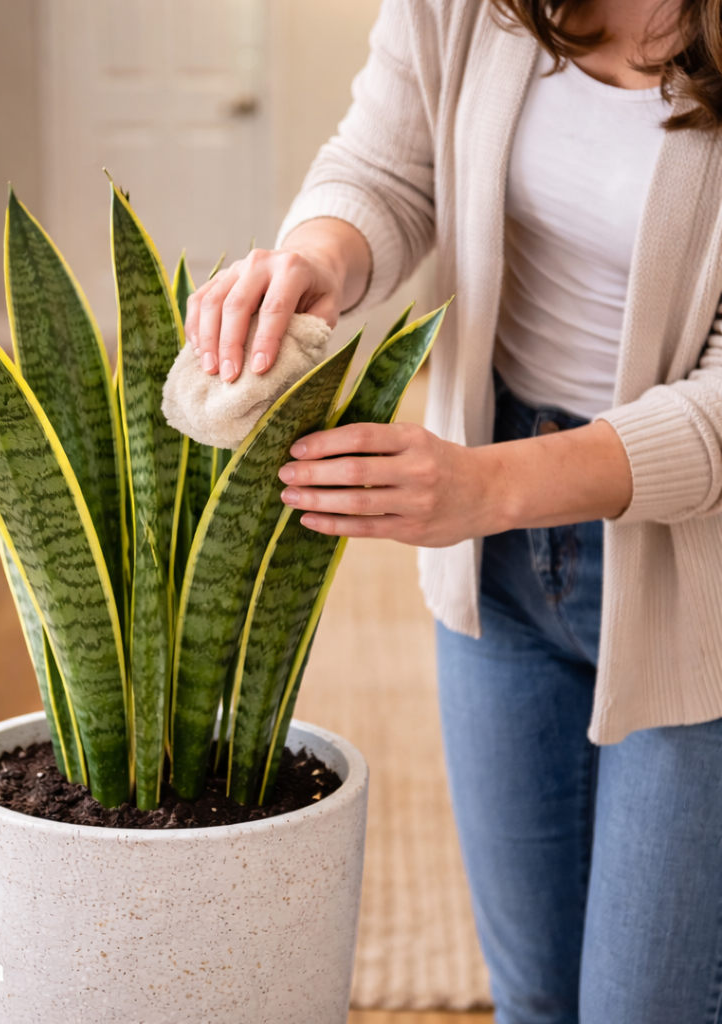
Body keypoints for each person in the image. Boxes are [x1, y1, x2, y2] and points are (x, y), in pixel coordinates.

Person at [184, 1, 722, 1021]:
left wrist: (485, 485)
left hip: (698, 586)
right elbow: (390, 167)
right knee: (531, 996)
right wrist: (316, 257)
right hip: (499, 561)